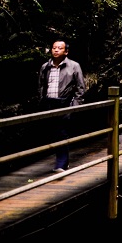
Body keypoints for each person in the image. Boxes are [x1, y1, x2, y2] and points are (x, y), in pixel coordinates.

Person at [38, 40, 87, 172]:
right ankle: (60, 161)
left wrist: (75, 106)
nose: (56, 50)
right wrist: (42, 101)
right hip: (49, 102)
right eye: (54, 48)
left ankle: (61, 164)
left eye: (59, 48)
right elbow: (41, 86)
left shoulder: (74, 66)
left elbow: (80, 88)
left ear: (66, 51)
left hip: (65, 103)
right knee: (53, 132)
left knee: (62, 132)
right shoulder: (45, 67)